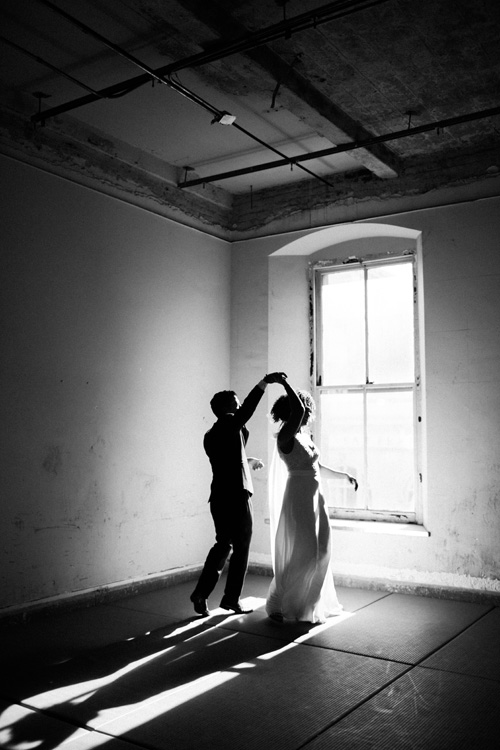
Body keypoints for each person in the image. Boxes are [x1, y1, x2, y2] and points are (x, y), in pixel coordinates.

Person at [190, 372, 286, 617]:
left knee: (223, 544)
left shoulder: (211, 434)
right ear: (226, 409)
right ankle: (231, 599)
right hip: (236, 496)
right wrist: (264, 383)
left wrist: (247, 460)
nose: (240, 405)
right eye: (236, 402)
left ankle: (201, 593)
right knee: (241, 547)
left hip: (219, 497)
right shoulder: (230, 423)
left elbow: (225, 460)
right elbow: (247, 411)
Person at [266, 375, 358, 624]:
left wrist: (343, 476)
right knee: (304, 552)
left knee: (322, 550)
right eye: (304, 409)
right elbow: (298, 410)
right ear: (293, 411)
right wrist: (284, 384)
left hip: (316, 497)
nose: (307, 414)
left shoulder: (305, 437)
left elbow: (316, 467)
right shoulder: (285, 437)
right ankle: (279, 602)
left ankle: (310, 603)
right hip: (299, 497)